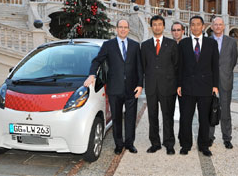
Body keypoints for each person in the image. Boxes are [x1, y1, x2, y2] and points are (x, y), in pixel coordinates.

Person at [84, 19, 143, 155]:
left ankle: (129, 143)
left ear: (129, 29)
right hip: (114, 88)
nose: (123, 29)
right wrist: (92, 75)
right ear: (116, 29)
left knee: (130, 117)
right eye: (120, 27)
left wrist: (140, 85)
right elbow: (97, 61)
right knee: (116, 118)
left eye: (125, 27)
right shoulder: (108, 45)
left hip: (131, 89)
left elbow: (139, 67)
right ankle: (118, 144)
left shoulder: (135, 46)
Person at [177, 16, 219, 157]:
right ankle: (185, 145)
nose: (195, 27)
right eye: (193, 24)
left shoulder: (211, 44)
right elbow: (179, 67)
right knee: (185, 118)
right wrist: (179, 84)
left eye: (198, 24)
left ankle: (204, 145)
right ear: (190, 26)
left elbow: (215, 66)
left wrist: (215, 85)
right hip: (187, 87)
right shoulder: (183, 43)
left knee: (204, 119)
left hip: (206, 87)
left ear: (203, 26)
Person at [141, 15, 179, 155]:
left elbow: (176, 66)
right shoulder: (145, 46)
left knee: (167, 116)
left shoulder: (172, 44)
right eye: (154, 24)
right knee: (152, 116)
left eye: (159, 24)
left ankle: (169, 143)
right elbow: (143, 67)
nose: (157, 27)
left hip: (167, 87)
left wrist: (175, 85)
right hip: (151, 87)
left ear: (163, 26)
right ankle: (155, 143)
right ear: (151, 27)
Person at [209, 17, 238, 149]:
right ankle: (209, 137)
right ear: (212, 26)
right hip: (209, 82)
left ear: (224, 26)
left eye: (220, 24)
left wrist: (225, 73)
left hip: (225, 80)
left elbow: (233, 61)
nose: (218, 27)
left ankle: (227, 138)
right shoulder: (206, 41)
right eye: (216, 24)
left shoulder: (231, 42)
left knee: (225, 111)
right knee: (209, 110)